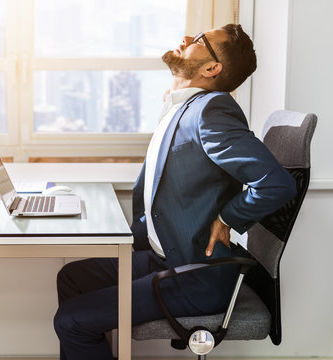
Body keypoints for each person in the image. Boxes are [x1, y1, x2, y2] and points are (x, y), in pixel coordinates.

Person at [53, 24, 297, 360]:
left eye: (199, 41)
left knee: (71, 320)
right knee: (73, 277)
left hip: (196, 274)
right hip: (163, 256)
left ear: (212, 69)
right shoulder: (181, 107)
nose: (185, 40)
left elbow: (276, 183)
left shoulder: (211, 110)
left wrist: (229, 217)